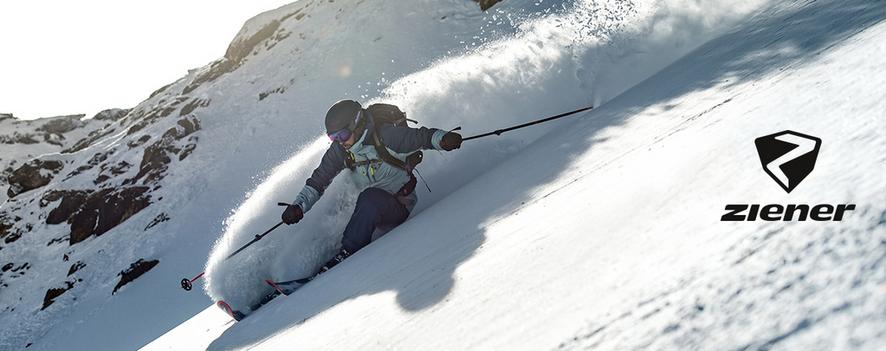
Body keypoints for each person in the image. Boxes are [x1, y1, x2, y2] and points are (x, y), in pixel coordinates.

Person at [281, 100, 462, 274]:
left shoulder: (386, 137)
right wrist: (298, 206)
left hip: (397, 205)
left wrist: (443, 139)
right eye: (333, 137)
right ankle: (313, 260)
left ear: (356, 124)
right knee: (334, 210)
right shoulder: (340, 149)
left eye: (342, 135)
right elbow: (319, 179)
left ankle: (348, 252)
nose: (339, 141)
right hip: (363, 207)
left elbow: (422, 137)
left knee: (370, 199)